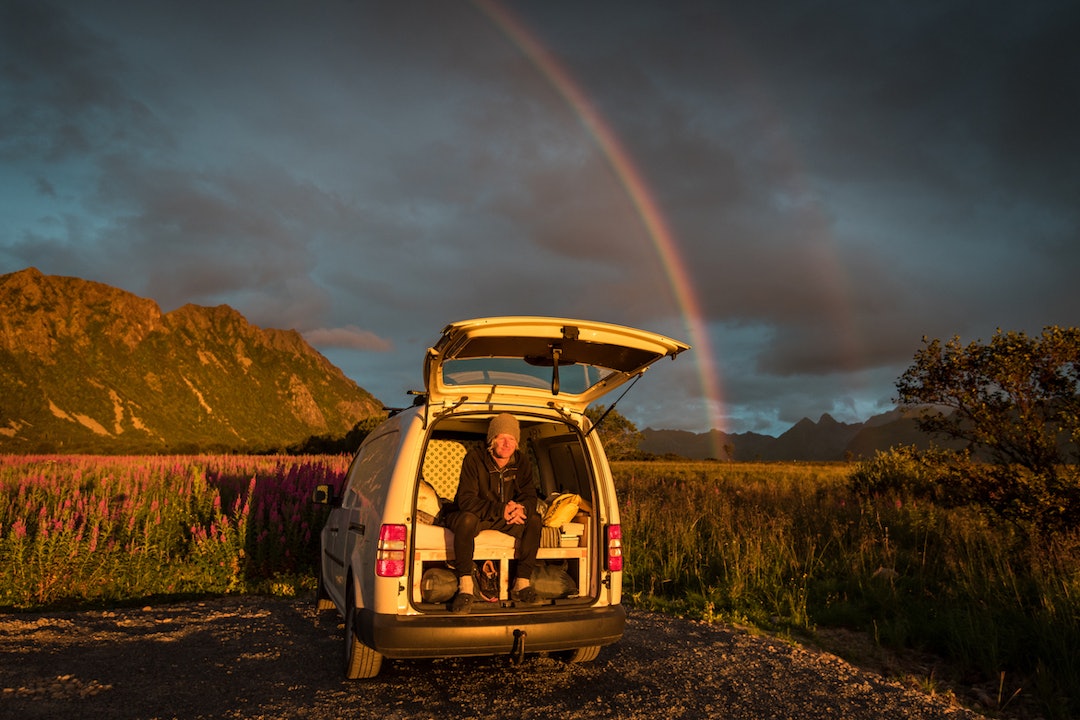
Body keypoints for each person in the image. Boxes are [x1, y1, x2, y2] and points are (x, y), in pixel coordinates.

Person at [445, 413, 543, 613]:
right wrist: (501, 509)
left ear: (517, 443)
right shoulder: (474, 459)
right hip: (477, 516)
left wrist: (521, 509)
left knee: (533, 519)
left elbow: (530, 495)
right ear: (492, 440)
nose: (507, 444)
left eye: (512, 439)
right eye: (502, 437)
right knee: (466, 520)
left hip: (504, 517)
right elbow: (466, 501)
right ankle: (465, 588)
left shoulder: (521, 462)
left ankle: (521, 584)